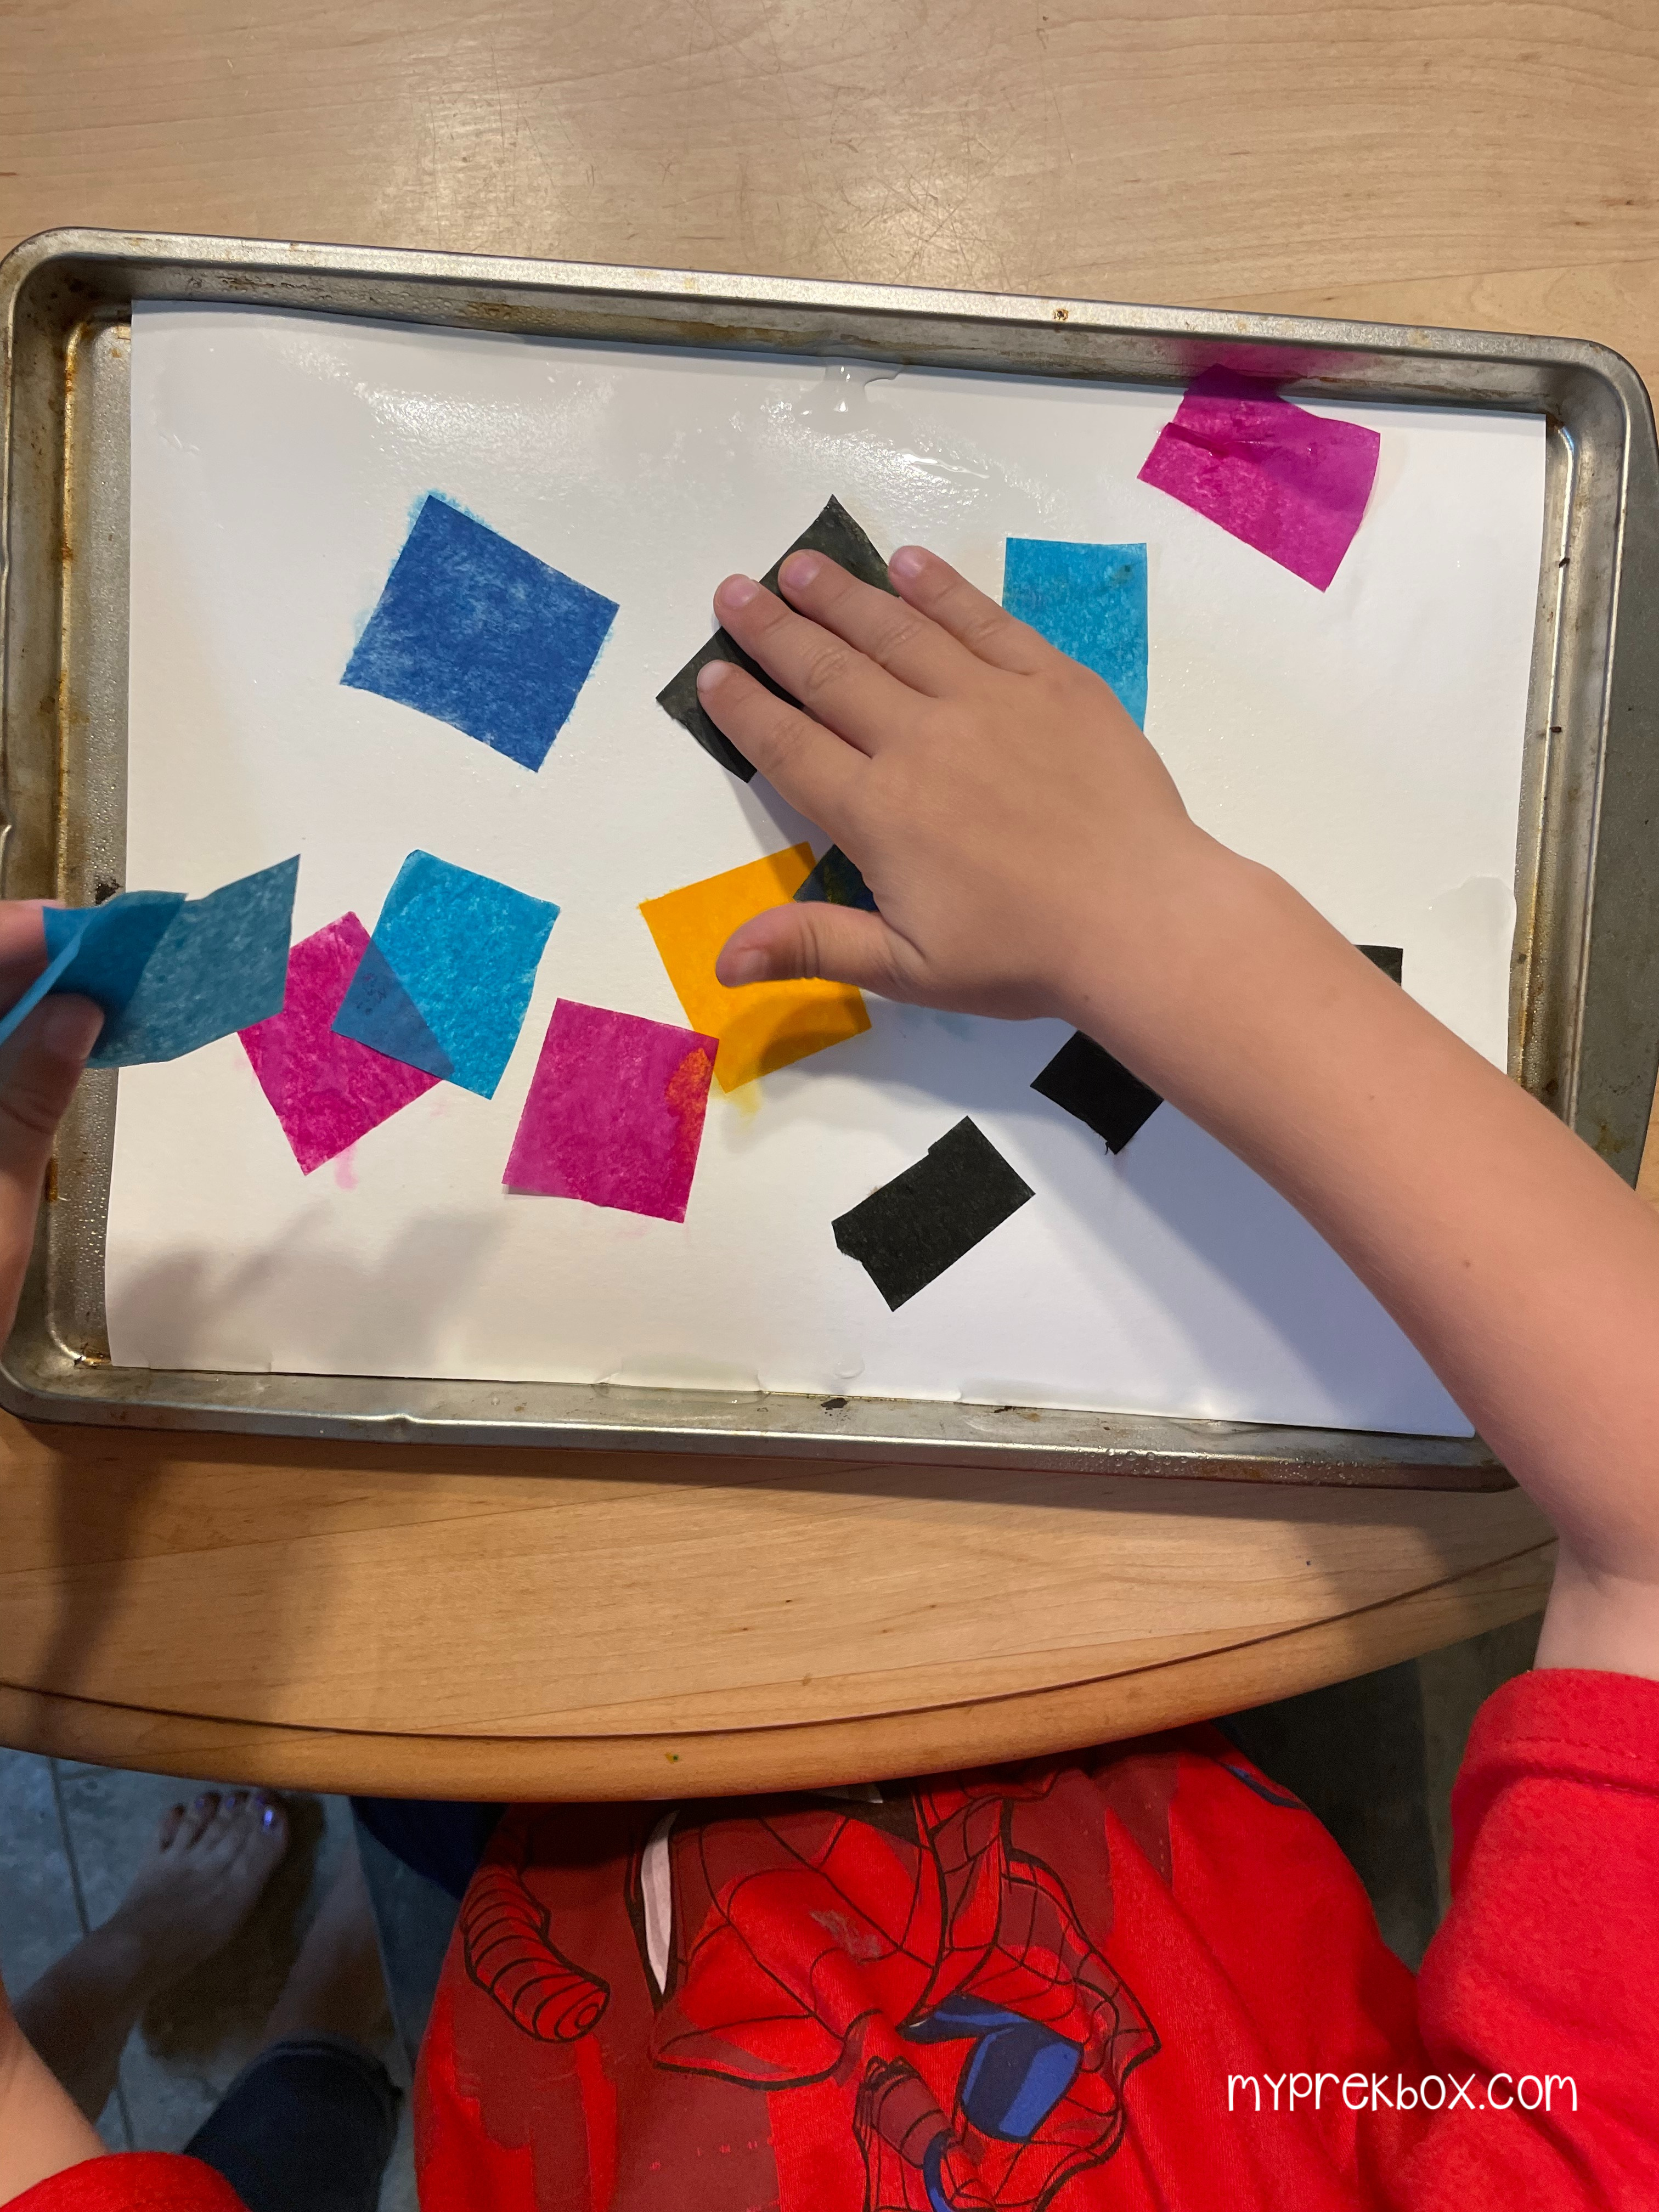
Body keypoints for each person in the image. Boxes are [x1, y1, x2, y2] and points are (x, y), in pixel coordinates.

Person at [4, 543, 1657, 2207]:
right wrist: (1152, 913)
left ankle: (340, 1964)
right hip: (1165, 1731)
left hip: (540, 1839)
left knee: (410, 1789)